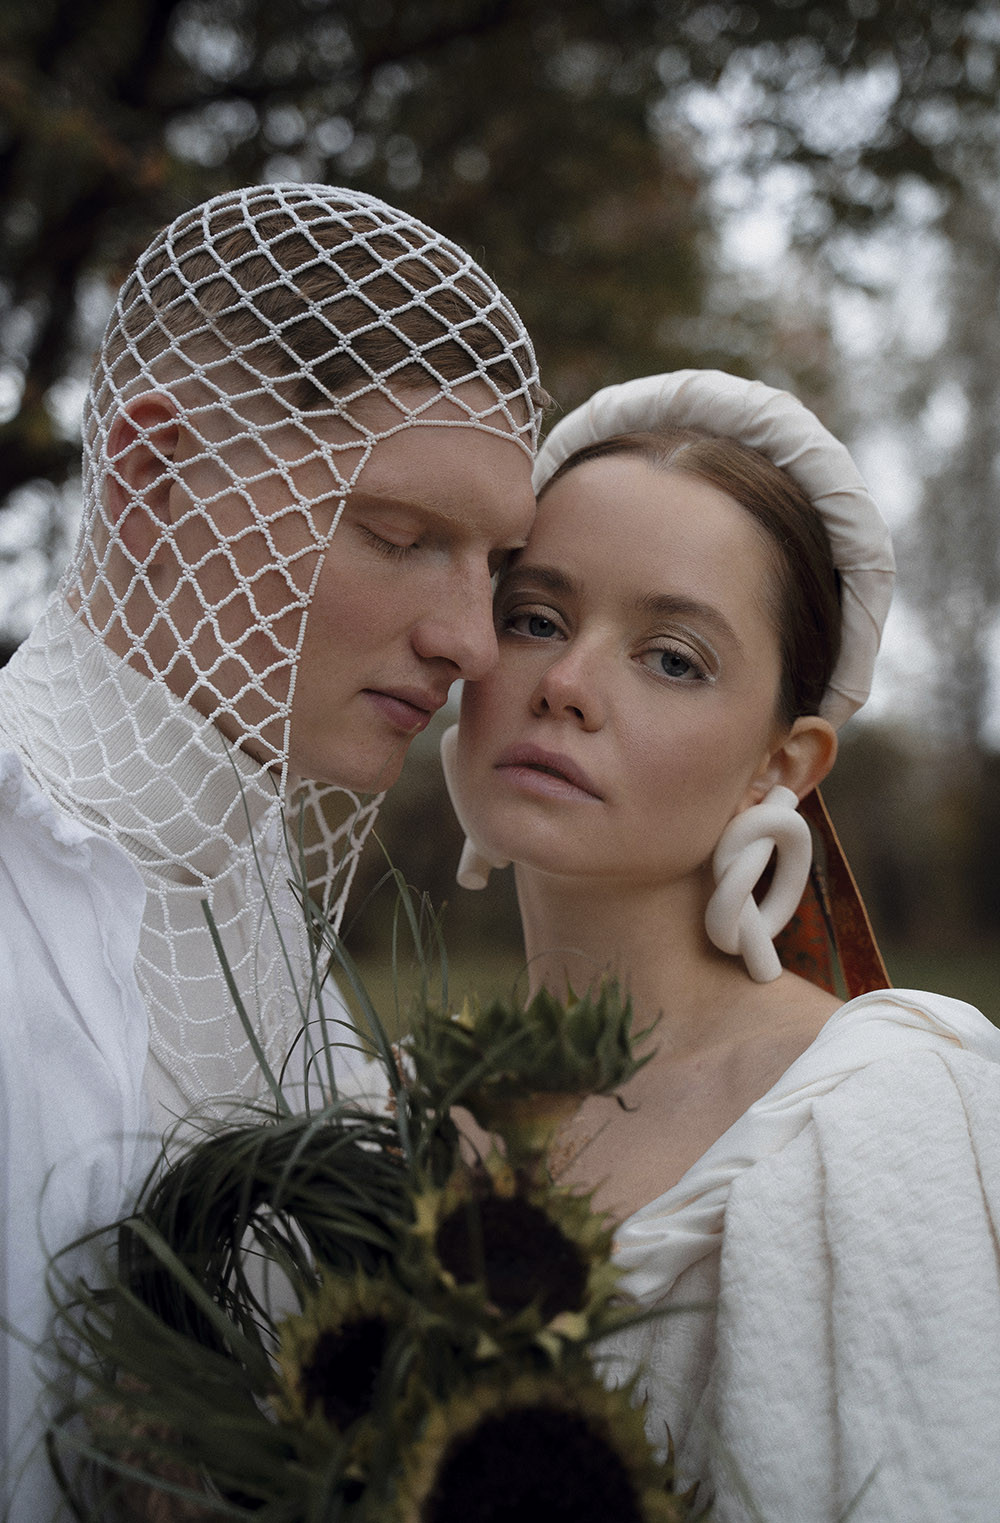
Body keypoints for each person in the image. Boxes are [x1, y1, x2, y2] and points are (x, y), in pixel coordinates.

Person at [0, 182, 542, 1519]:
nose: (472, 642)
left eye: (494, 564)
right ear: (154, 476)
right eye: (402, 537)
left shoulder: (251, 893)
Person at [440, 370, 1000, 1521]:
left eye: (672, 657)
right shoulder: (381, 1111)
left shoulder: (883, 1108)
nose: (566, 684)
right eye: (534, 618)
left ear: (779, 766)